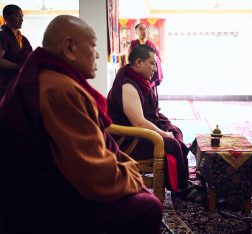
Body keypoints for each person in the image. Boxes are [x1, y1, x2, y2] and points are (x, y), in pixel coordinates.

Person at [0, 15, 163, 234]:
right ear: (69, 47)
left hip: (43, 189)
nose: (97, 54)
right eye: (94, 46)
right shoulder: (59, 89)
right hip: (43, 206)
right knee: (150, 206)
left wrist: (124, 168)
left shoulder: (48, 77)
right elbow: (94, 178)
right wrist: (132, 174)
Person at [107, 44, 206, 202]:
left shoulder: (137, 79)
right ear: (139, 62)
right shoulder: (128, 85)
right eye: (152, 63)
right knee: (172, 144)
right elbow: (138, 123)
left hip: (137, 131)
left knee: (175, 131)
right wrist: (162, 134)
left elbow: (148, 114)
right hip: (130, 140)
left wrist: (165, 128)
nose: (155, 68)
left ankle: (179, 180)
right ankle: (181, 188)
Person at [0, 4, 32, 98]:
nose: (21, 20)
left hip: (19, 82)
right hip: (6, 83)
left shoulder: (23, 39)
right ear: (6, 18)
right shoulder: (3, 35)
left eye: (22, 17)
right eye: (18, 16)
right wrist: (19, 67)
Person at [128, 23, 163, 87]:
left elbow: (158, 58)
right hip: (137, 74)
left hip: (149, 75)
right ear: (136, 32)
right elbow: (129, 60)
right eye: (141, 29)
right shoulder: (132, 44)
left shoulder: (151, 45)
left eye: (145, 29)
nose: (144, 31)